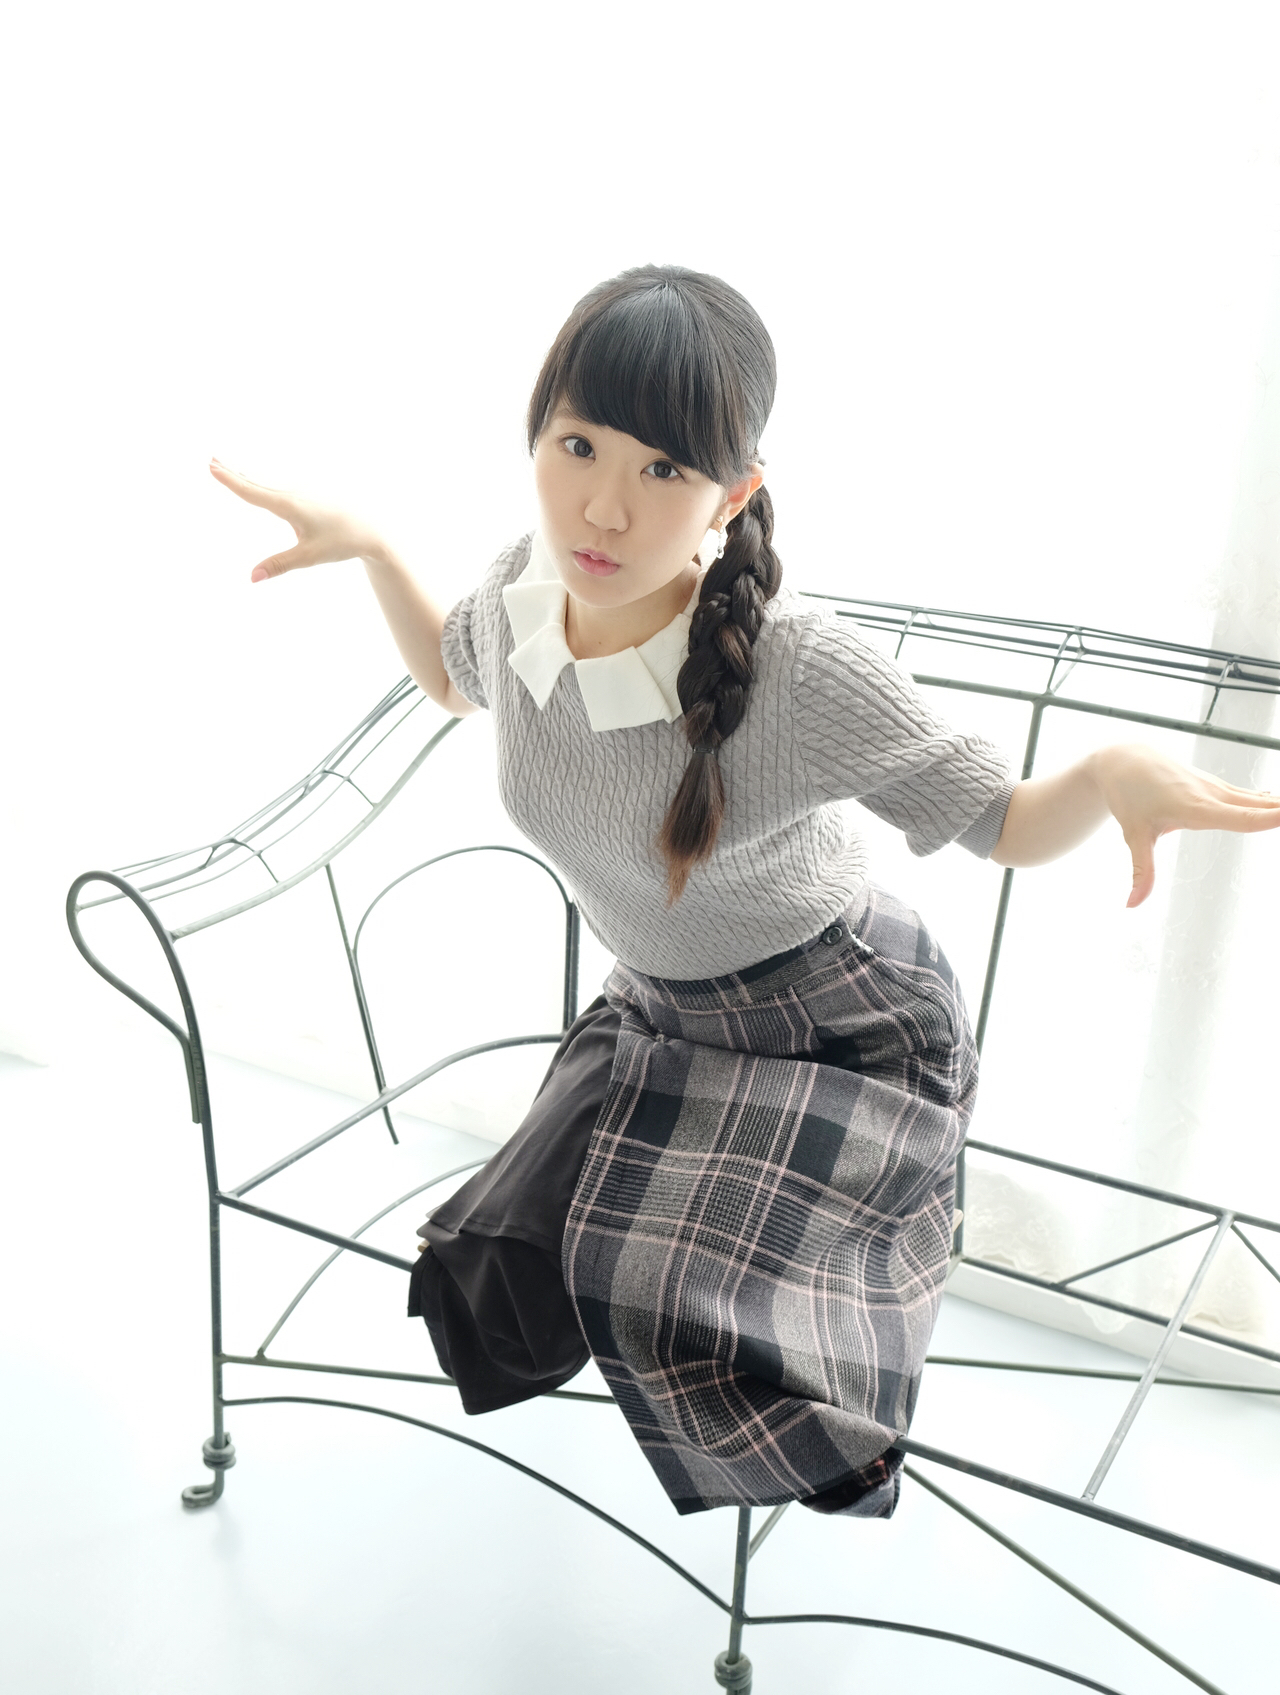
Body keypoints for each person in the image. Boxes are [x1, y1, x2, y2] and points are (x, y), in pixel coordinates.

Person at [210, 264, 1280, 1519]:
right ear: (535, 435)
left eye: (663, 469)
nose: (604, 506)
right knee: (487, 1280)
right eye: (577, 445)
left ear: (733, 493)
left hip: (837, 1023)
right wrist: (376, 550)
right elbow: (454, 681)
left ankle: (833, 1419)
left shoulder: (798, 673)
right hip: (663, 1012)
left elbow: (1000, 822)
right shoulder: (519, 595)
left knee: (681, 1317)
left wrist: (1101, 775)